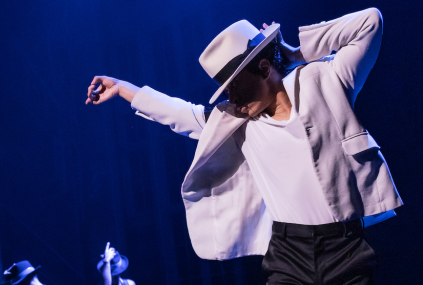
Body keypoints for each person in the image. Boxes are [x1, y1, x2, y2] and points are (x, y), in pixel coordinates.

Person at [84, 8, 402, 284]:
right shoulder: (236, 121)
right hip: (289, 251)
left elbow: (370, 22)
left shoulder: (326, 79)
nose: (231, 99)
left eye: (234, 85)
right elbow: (180, 114)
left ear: (264, 69)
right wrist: (125, 88)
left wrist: (291, 52)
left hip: (344, 247)